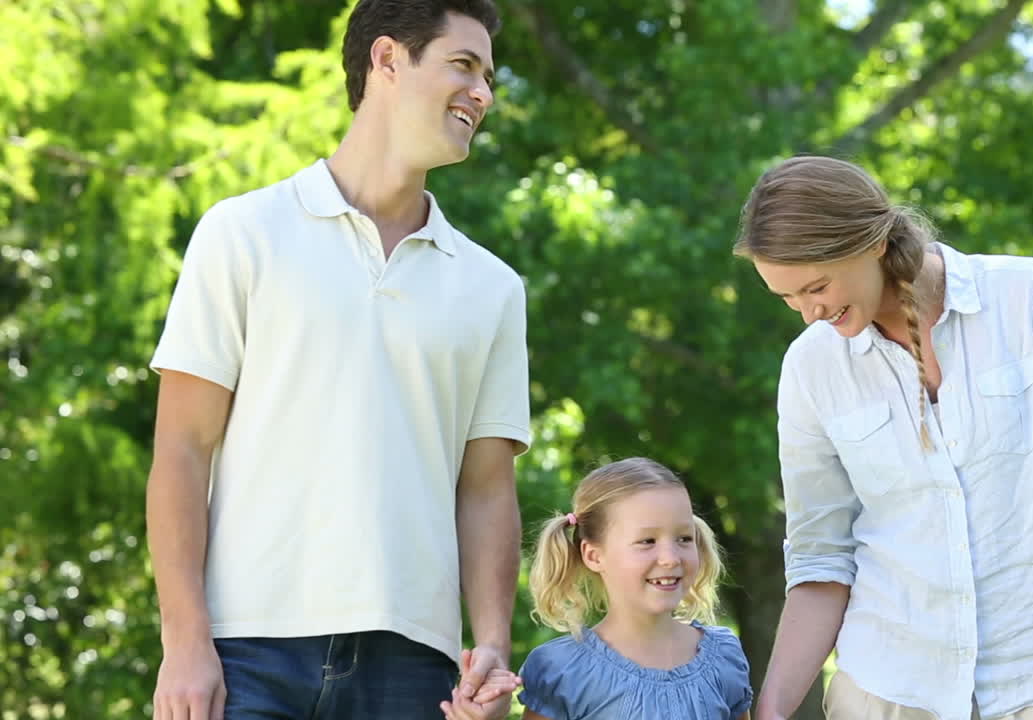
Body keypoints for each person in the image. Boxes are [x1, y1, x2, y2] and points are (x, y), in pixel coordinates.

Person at [145, 1, 530, 718]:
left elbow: (485, 490)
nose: (484, 93)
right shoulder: (242, 233)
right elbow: (181, 450)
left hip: (415, 667)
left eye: (488, 75)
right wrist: (184, 643)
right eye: (463, 65)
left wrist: (493, 649)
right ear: (387, 60)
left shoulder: (493, 289)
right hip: (244, 652)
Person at [734, 155, 1033, 720]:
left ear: (871, 244)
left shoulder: (1025, 296)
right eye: (787, 299)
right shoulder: (811, 367)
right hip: (887, 689)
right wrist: (773, 711)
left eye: (815, 287)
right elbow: (821, 557)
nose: (809, 313)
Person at [507, 457, 753, 720]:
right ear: (593, 556)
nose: (670, 558)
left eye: (684, 538)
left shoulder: (724, 656)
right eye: (647, 541)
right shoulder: (561, 671)